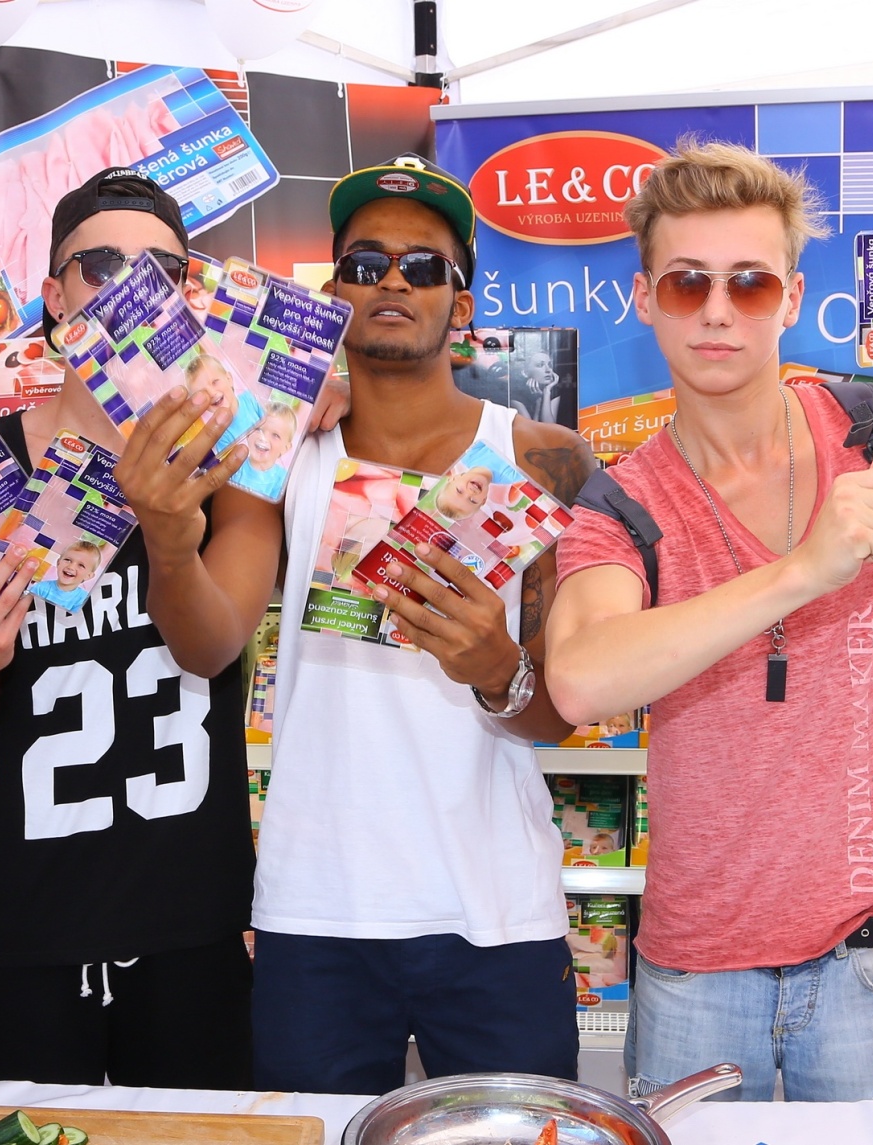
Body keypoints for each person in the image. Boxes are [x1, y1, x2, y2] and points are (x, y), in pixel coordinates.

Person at [546, 139, 873, 1102]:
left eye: (750, 283)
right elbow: (581, 677)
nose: (718, 311)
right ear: (644, 299)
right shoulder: (621, 503)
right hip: (696, 967)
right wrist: (803, 570)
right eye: (687, 283)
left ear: (793, 298)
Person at [0, 167, 344, 1089]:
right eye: (103, 265)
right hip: (34, 914)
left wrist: (329, 390)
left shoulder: (239, 461)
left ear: (189, 299)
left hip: (193, 913)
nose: (132, 290)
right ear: (54, 296)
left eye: (162, 270)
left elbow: (216, 646)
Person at [248, 154, 595, 1095]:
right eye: (365, 263)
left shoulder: (544, 457)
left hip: (495, 909)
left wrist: (496, 669)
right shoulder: (284, 452)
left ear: (462, 302)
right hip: (316, 906)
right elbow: (208, 637)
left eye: (424, 265)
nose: (393, 281)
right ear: (334, 293)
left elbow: (558, 715)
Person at [230, 401, 299, 500]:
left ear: (285, 448)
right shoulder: (236, 464)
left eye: (275, 435)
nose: (263, 438)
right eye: (258, 429)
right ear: (248, 432)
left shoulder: (282, 480)